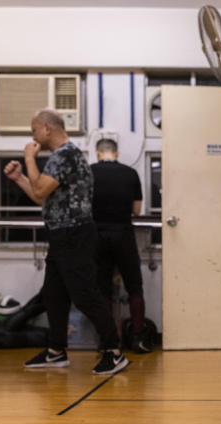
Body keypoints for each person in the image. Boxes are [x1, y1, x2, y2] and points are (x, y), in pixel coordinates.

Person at [4, 109, 129, 375]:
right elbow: (41, 196)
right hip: (62, 233)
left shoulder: (65, 155)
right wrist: (19, 179)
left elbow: (39, 190)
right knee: (54, 295)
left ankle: (114, 351)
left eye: (34, 129)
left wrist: (29, 159)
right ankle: (56, 351)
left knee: (84, 295)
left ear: (47, 129)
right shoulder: (62, 157)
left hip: (74, 233)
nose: (32, 136)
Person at [90, 138, 152, 353]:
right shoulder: (130, 173)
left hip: (97, 235)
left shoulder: (88, 173)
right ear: (116, 153)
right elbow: (136, 210)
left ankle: (107, 340)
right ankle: (137, 337)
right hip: (123, 233)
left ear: (98, 153)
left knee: (102, 288)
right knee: (134, 285)